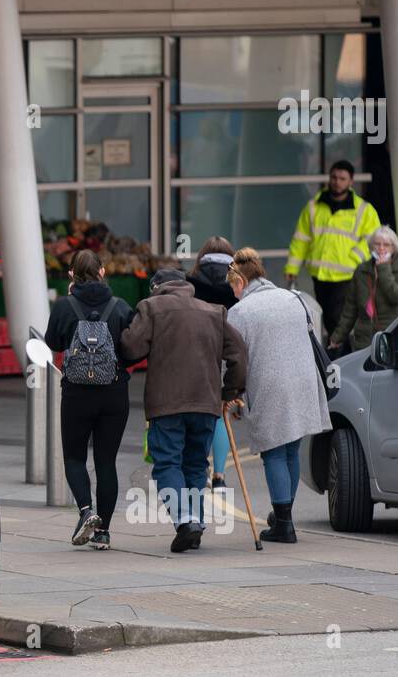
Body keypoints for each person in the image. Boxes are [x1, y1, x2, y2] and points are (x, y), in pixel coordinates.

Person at [121, 268, 247, 553]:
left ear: (157, 287)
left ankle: (185, 520)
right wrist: (229, 391)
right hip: (206, 402)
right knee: (195, 464)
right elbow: (238, 352)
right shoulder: (213, 311)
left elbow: (130, 347)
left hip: (167, 403)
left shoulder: (152, 307)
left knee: (167, 463)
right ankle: (196, 522)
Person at [226, 248, 332, 543]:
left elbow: (235, 359)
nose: (233, 294)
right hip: (303, 382)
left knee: (273, 451)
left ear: (241, 282)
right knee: (290, 451)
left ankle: (284, 525)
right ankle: (283, 513)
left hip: (270, 386)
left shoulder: (240, 312)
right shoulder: (295, 299)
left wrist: (232, 394)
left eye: (233, 287)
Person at [44, 249, 135, 550]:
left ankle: (86, 511)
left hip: (77, 393)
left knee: (74, 457)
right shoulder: (120, 306)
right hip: (114, 393)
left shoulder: (63, 306)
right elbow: (132, 349)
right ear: (102, 272)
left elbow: (52, 343)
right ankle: (104, 532)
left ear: (71, 274)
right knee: (106, 461)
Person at [284, 160, 382, 341]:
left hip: (346, 275)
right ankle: (339, 351)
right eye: (334, 177)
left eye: (342, 178)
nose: (337, 182)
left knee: (337, 319)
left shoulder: (364, 210)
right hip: (319, 275)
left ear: (351, 181)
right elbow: (301, 240)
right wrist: (292, 268)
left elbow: (375, 241)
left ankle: (341, 353)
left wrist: (354, 257)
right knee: (326, 316)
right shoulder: (313, 207)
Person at [187, 236, 235, 490]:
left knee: (196, 412)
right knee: (220, 413)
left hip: (195, 353)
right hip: (225, 353)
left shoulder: (190, 282)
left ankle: (199, 468)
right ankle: (219, 475)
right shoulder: (236, 284)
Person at [328, 226, 398, 353]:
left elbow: (396, 297)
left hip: (392, 337)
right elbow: (350, 309)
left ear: (394, 248)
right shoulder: (361, 270)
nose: (381, 248)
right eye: (377, 244)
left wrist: (383, 269)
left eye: (386, 245)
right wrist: (337, 337)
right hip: (364, 340)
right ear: (371, 247)